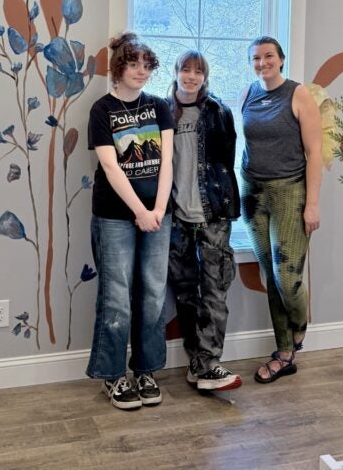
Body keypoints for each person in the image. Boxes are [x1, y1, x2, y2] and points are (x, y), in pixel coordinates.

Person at [86, 32, 174, 410]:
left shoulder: (159, 108)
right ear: (117, 68)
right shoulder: (102, 110)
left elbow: (167, 161)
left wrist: (157, 209)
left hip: (158, 215)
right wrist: (139, 211)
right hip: (115, 217)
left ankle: (146, 369)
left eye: (146, 65)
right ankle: (113, 376)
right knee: (116, 298)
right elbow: (109, 164)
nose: (140, 71)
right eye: (132, 64)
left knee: (153, 295)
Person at [240, 36, 323, 384]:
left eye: (269, 56)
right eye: (256, 58)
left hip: (289, 192)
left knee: (288, 279)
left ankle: (298, 331)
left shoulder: (298, 94)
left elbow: (314, 152)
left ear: (281, 59)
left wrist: (312, 204)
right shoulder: (248, 94)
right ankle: (284, 352)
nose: (263, 63)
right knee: (268, 276)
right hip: (252, 192)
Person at [167, 50, 243, 392]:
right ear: (176, 73)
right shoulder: (163, 112)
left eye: (198, 71)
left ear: (205, 77)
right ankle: (197, 363)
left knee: (215, 291)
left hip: (212, 215)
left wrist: (223, 207)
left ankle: (210, 362)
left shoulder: (218, 112)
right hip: (175, 218)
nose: (191, 76)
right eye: (186, 69)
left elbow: (225, 164)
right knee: (185, 293)